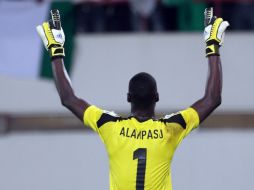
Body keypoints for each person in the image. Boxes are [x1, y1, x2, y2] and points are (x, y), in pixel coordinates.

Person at [36, 8, 229, 190]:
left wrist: (56, 49)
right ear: (157, 97)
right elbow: (212, 99)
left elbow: (68, 98)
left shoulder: (110, 125)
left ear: (128, 97)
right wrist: (212, 46)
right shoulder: (171, 128)